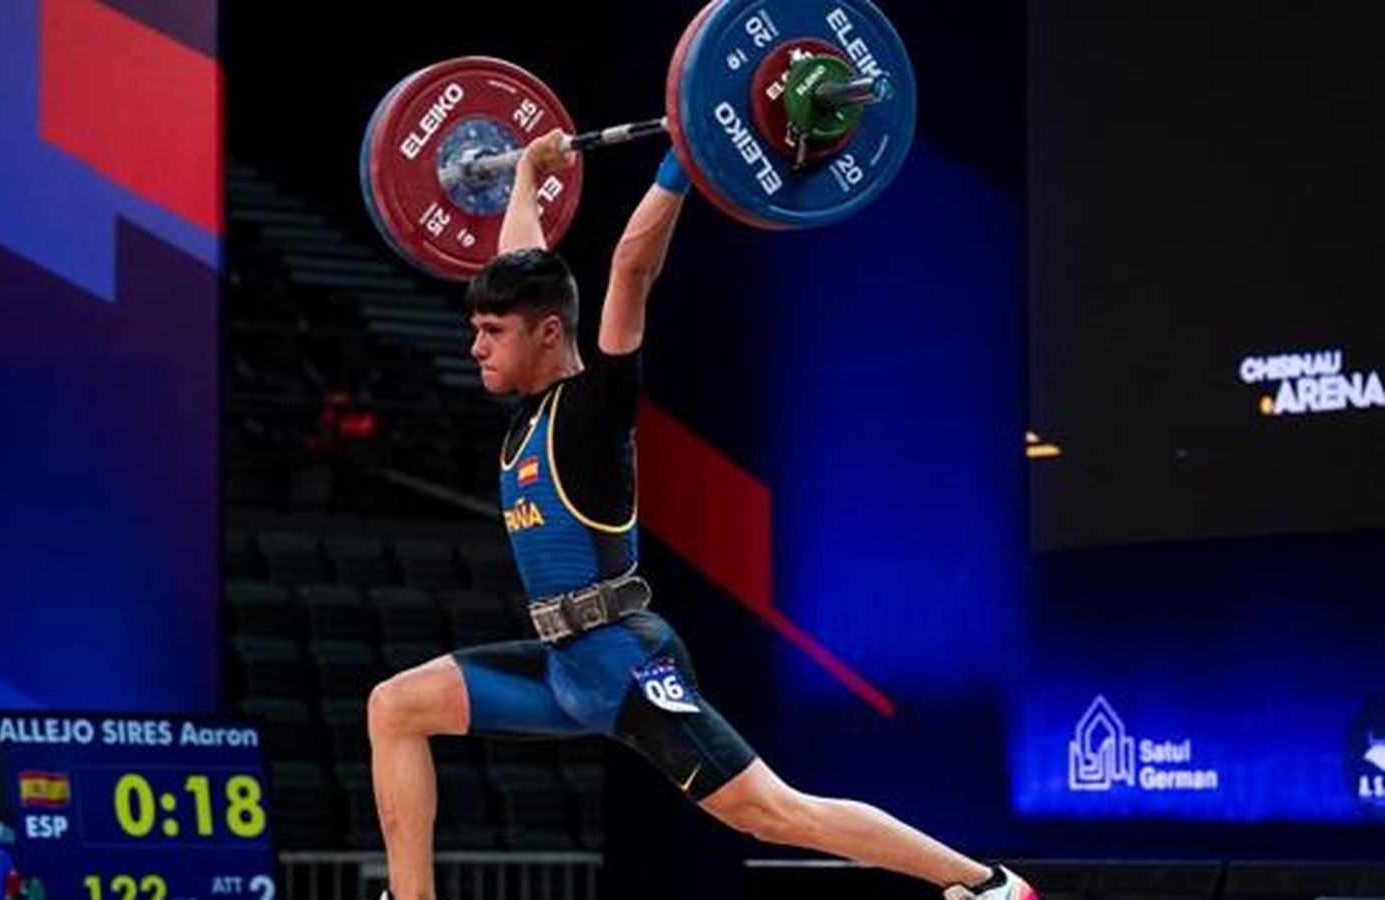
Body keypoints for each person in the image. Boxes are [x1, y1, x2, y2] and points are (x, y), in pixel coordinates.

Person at [366, 129, 1037, 900]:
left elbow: (632, 267)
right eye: (476, 329)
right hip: (563, 668)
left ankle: (985, 885)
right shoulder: (529, 400)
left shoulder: (592, 409)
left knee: (774, 811)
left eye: (491, 333)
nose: (474, 346)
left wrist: (685, 153)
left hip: (623, 662)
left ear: (548, 333)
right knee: (396, 706)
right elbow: (526, 269)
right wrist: (525, 178)